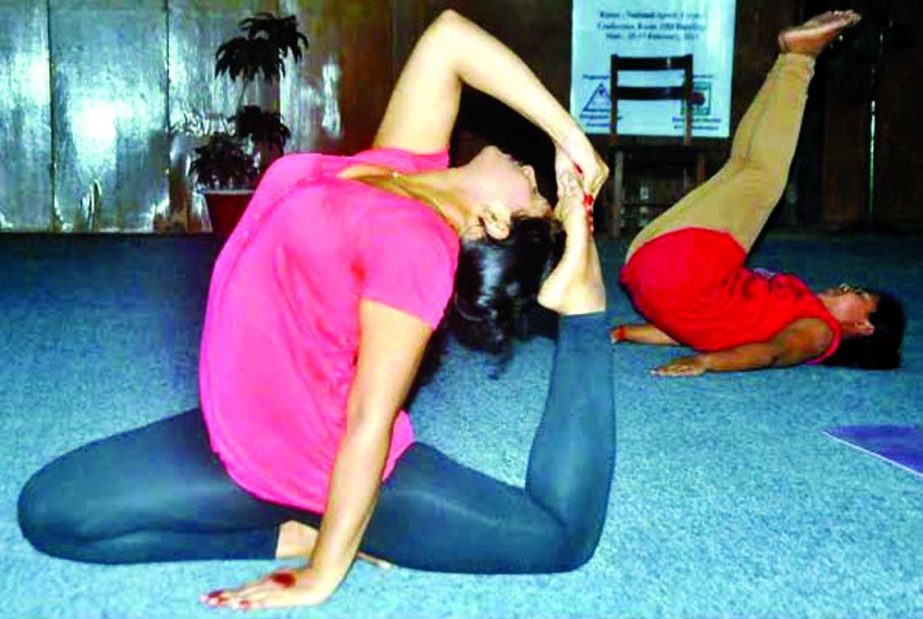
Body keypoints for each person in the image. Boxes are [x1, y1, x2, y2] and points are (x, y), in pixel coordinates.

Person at [18, 10, 614, 611]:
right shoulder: (405, 166)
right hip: (241, 422)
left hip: (311, 459)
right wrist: (574, 141)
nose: (536, 172)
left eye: (535, 195)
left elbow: (368, 419)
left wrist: (325, 572)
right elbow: (450, 38)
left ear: (493, 224)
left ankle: (583, 304)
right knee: (50, 509)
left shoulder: (418, 245)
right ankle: (288, 531)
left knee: (557, 538)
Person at [611, 10, 906, 377]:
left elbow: (772, 353)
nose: (842, 287)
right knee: (743, 167)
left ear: (864, 327)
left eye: (857, 296)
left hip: (678, 274)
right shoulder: (781, 309)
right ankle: (790, 58)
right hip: (652, 270)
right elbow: (693, 328)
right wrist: (627, 333)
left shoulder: (819, 332)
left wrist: (707, 363)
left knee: (763, 177)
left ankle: (799, 59)